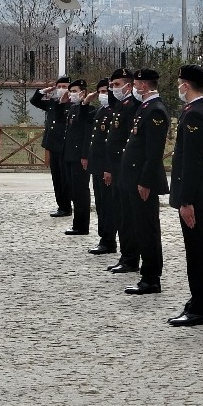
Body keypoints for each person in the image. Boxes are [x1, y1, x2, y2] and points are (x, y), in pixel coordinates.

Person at [167, 65, 203, 326]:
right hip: (202, 194)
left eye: (180, 83)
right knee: (198, 253)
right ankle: (197, 301)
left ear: (186, 85)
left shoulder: (196, 114)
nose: (179, 87)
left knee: (199, 255)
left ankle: (200, 308)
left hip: (197, 197)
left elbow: (192, 161)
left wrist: (185, 200)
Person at [122, 68, 169, 295]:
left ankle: (151, 278)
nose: (134, 87)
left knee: (147, 228)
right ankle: (147, 275)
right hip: (135, 176)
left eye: (136, 84)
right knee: (141, 227)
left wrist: (145, 181)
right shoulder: (145, 107)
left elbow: (154, 152)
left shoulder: (156, 110)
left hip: (143, 179)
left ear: (144, 86)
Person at [102, 67, 141, 274]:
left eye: (116, 85)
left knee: (128, 218)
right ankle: (126, 256)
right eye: (112, 85)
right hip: (118, 167)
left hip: (126, 168)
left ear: (129, 85)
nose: (112, 89)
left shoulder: (133, 105)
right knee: (122, 214)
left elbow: (130, 140)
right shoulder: (120, 104)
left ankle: (130, 258)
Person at [30, 76, 72, 217]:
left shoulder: (72, 103)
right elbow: (34, 101)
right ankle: (61, 206)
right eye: (59, 87)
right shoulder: (53, 102)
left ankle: (67, 207)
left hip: (64, 145)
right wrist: (44, 91)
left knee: (64, 178)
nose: (62, 90)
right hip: (52, 145)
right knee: (56, 178)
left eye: (65, 87)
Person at [85, 79, 118, 255]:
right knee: (100, 204)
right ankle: (104, 237)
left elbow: (111, 144)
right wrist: (85, 102)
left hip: (106, 165)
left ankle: (108, 240)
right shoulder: (100, 110)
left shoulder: (114, 112)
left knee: (108, 205)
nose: (104, 94)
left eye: (107, 91)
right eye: (101, 91)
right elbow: (84, 121)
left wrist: (108, 167)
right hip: (96, 164)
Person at [61, 78, 92, 235]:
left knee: (81, 192)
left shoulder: (87, 110)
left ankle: (82, 225)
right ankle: (77, 224)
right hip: (69, 156)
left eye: (74, 91)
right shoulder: (72, 108)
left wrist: (85, 155)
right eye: (70, 91)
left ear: (83, 93)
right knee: (73, 191)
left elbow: (86, 135)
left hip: (79, 156)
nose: (71, 94)